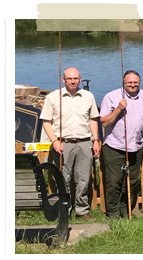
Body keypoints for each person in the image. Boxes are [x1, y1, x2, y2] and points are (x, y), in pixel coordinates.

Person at [40, 67, 101, 220]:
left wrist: (96, 140)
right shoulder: (53, 97)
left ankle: (82, 210)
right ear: (64, 80)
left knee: (84, 178)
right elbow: (46, 122)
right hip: (63, 143)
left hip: (84, 142)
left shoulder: (88, 96)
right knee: (63, 177)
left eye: (75, 79)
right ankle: (64, 209)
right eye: (69, 79)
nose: (72, 81)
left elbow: (93, 119)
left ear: (80, 79)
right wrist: (54, 140)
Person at [99, 70, 143, 219]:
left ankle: (125, 209)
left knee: (132, 181)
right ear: (124, 83)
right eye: (129, 82)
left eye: (135, 82)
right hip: (115, 146)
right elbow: (104, 122)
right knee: (114, 182)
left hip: (136, 145)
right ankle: (112, 213)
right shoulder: (111, 97)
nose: (133, 85)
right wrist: (119, 109)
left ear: (139, 83)